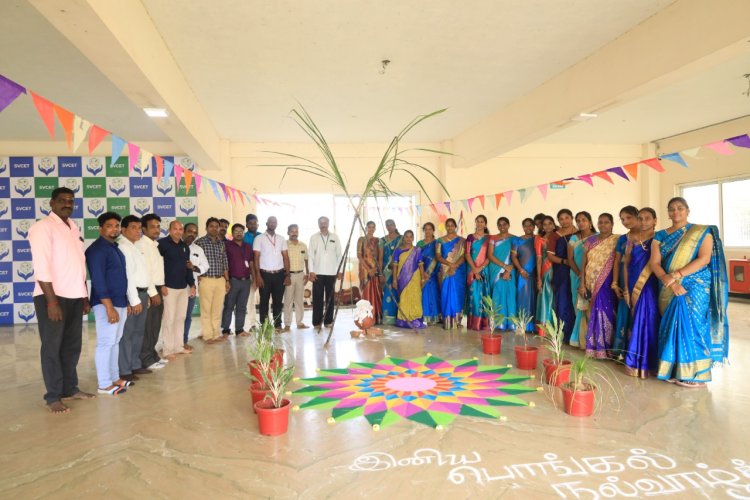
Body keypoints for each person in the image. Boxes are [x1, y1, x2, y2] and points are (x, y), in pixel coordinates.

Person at [650, 197, 729, 388]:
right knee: (671, 325)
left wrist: (677, 275)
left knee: (693, 324)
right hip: (668, 284)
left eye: (680, 208)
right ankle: (673, 369)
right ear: (667, 212)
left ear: (687, 210)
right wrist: (669, 281)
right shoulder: (659, 235)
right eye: (671, 209)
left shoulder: (702, 232)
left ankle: (696, 373)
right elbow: (654, 263)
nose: (675, 212)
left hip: (696, 284)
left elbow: (704, 259)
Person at [29, 187, 93, 413]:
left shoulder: (73, 228)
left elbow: (78, 265)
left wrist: (84, 296)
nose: (67, 204)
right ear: (52, 203)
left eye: (71, 201)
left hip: (75, 296)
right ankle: (53, 396)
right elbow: (41, 267)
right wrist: (52, 302)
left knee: (72, 346)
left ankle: (70, 388)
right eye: (62, 200)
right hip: (53, 298)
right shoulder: (42, 228)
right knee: (52, 347)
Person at [86, 212, 130, 396]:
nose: (115, 229)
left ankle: (114, 378)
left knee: (115, 341)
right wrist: (109, 307)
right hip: (106, 303)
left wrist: (124, 302)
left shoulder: (115, 247)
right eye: (110, 225)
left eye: (117, 225)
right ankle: (104, 384)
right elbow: (98, 281)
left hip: (119, 301)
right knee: (106, 342)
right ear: (101, 228)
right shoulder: (96, 250)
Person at [623, 208, 659, 378]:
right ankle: (635, 362)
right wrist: (625, 289)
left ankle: (648, 363)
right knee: (636, 317)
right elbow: (626, 264)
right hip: (633, 283)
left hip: (651, 283)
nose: (643, 222)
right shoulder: (632, 239)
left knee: (649, 319)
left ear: (655, 220)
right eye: (641, 218)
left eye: (647, 218)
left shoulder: (660, 239)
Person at [579, 213, 619, 359]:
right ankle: (595, 348)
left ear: (612, 224)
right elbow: (583, 264)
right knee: (594, 313)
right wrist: (582, 284)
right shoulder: (590, 241)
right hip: (590, 281)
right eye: (600, 222)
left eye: (606, 222)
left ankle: (607, 348)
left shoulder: (617, 240)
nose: (603, 225)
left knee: (606, 311)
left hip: (607, 283)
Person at [117, 215, 151, 383]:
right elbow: (127, 276)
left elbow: (143, 272)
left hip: (142, 294)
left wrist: (148, 294)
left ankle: (135, 364)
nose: (138, 231)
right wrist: (133, 300)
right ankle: (124, 369)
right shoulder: (123, 247)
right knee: (128, 333)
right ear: (123, 230)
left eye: (139, 228)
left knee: (138, 332)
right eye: (134, 228)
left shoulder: (135, 246)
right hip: (133, 295)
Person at [158, 221, 196, 360]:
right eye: (175, 229)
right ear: (169, 230)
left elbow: (188, 267)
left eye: (180, 229)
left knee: (181, 318)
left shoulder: (185, 246)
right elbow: (157, 266)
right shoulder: (162, 244)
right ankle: (167, 349)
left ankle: (179, 346)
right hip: (168, 287)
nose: (178, 231)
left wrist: (192, 284)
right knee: (169, 318)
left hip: (183, 288)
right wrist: (161, 285)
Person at [137, 214, 167, 371]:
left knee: (155, 325)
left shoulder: (154, 245)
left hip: (157, 288)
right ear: (144, 229)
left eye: (158, 226)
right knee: (148, 326)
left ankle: (152, 354)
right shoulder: (142, 245)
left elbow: (156, 271)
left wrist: (160, 287)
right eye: (153, 226)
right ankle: (146, 359)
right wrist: (152, 292)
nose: (157, 229)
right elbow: (145, 272)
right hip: (150, 291)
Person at [195, 218, 230, 343]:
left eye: (217, 226)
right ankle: (208, 335)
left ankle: (216, 333)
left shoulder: (221, 243)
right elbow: (195, 262)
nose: (214, 229)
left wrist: (227, 280)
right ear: (206, 228)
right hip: (206, 279)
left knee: (217, 308)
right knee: (206, 309)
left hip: (220, 280)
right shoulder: (200, 243)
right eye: (211, 226)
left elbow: (224, 262)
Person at [611, 205, 639, 360]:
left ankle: (638, 351)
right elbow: (616, 262)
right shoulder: (623, 239)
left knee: (640, 313)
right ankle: (622, 351)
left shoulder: (649, 237)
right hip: (624, 280)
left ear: (637, 216)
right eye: (622, 219)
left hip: (642, 280)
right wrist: (615, 283)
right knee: (624, 312)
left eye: (628, 217)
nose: (625, 221)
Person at [253, 216, 290, 329]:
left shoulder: (281, 238)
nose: (273, 224)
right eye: (271, 222)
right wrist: (258, 276)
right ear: (266, 223)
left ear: (276, 224)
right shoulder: (259, 238)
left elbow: (285, 257)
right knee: (264, 301)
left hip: (279, 274)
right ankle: (264, 326)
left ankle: (278, 325)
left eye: (275, 222)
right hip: (265, 274)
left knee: (278, 301)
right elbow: (256, 258)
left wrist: (287, 275)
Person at [308, 216, 343, 331]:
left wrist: (340, 271)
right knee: (317, 298)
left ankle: (328, 321)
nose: (323, 225)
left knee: (330, 298)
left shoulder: (335, 237)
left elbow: (339, 255)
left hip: (332, 272)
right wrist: (311, 271)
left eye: (325, 223)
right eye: (321, 223)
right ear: (318, 224)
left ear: (328, 224)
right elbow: (310, 256)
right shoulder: (314, 237)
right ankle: (317, 322)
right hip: (317, 273)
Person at [547, 209, 576, 342]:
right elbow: (550, 256)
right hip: (562, 271)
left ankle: (578, 335)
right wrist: (566, 262)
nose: (564, 221)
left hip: (578, 271)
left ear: (572, 218)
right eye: (561, 219)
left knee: (577, 301)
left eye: (567, 218)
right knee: (563, 301)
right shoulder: (554, 236)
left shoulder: (580, 233)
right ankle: (564, 334)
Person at [567, 211, 596, 348]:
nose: (580, 223)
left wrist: (587, 275)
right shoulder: (574, 238)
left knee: (592, 305)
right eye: (578, 220)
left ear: (590, 222)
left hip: (594, 276)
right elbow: (570, 259)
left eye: (584, 220)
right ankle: (579, 338)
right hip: (576, 275)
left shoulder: (597, 237)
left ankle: (592, 338)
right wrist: (580, 274)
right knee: (578, 306)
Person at [222, 223, 254, 335]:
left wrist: (253, 278)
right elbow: (223, 263)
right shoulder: (227, 245)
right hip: (233, 280)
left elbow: (251, 263)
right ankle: (225, 329)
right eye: (236, 231)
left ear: (244, 233)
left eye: (241, 231)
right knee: (229, 306)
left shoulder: (248, 246)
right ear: (232, 233)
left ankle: (239, 329)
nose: (239, 233)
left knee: (241, 307)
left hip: (246, 281)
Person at [391, 230, 427, 329]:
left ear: (413, 238)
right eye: (406, 236)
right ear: (404, 237)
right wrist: (394, 280)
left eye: (410, 237)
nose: (408, 239)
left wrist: (423, 278)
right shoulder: (398, 250)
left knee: (415, 298)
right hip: (402, 278)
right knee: (403, 298)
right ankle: (403, 320)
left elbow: (421, 265)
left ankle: (415, 319)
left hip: (415, 278)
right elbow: (395, 266)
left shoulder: (417, 250)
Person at [436, 218, 466, 329]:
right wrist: (450, 264)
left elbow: (464, 256)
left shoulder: (462, 241)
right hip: (445, 270)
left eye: (452, 225)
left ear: (455, 227)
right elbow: (438, 256)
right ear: (445, 227)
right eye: (448, 225)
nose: (450, 227)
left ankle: (457, 320)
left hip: (458, 271)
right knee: (445, 294)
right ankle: (447, 320)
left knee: (458, 293)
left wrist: (455, 265)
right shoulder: (440, 241)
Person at [183, 223, 209, 348]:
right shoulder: (174, 246)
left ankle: (183, 341)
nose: (192, 234)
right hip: (173, 287)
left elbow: (205, 266)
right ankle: (171, 343)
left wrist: (194, 267)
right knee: (173, 318)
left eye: (194, 232)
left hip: (191, 288)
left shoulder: (198, 249)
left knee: (187, 316)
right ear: (183, 231)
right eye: (189, 231)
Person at [488, 217, 516, 330]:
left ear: (509, 225)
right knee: (497, 295)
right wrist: (504, 267)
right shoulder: (493, 238)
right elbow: (490, 255)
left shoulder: (514, 239)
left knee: (510, 295)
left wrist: (509, 269)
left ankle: (511, 323)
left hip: (510, 270)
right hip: (496, 270)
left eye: (504, 224)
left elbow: (517, 256)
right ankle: (499, 323)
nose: (502, 226)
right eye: (499, 225)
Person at [511, 218, 537, 332]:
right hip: (522, 274)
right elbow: (513, 257)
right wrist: (521, 270)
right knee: (523, 298)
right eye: (525, 226)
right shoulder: (517, 240)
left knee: (535, 299)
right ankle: (523, 325)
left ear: (534, 227)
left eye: (530, 225)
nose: (528, 228)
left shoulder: (537, 239)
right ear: (523, 227)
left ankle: (534, 326)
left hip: (536, 274)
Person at [466, 214, 490, 331]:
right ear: (475, 223)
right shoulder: (470, 237)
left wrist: (480, 269)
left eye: (482, 222)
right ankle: (474, 323)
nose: (480, 224)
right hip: (472, 270)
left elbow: (490, 256)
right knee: (474, 296)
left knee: (485, 296)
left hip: (485, 271)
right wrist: (474, 270)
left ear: (485, 224)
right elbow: (467, 254)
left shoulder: (489, 238)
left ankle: (485, 323)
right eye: (478, 221)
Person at [283, 224, 309, 331]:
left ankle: (299, 322)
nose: (294, 233)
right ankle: (287, 324)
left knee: (299, 300)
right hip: (289, 275)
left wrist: (307, 274)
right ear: (288, 232)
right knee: (288, 300)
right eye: (292, 231)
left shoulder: (303, 245)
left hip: (300, 275)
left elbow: (307, 260)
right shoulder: (284, 244)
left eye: (296, 231)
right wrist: (286, 275)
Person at [357, 221, 383, 323]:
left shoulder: (378, 240)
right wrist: (368, 269)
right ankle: (365, 318)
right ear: (366, 228)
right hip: (365, 270)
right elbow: (359, 256)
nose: (371, 229)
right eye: (369, 227)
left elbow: (380, 257)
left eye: (373, 227)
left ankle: (376, 318)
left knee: (376, 292)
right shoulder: (361, 240)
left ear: (375, 228)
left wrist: (379, 271)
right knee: (366, 292)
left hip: (375, 270)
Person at [378, 219, 401, 325]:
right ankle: (388, 318)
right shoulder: (382, 240)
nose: (389, 226)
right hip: (387, 272)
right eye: (387, 225)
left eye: (391, 224)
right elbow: (381, 258)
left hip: (399, 271)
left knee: (399, 293)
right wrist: (380, 273)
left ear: (395, 225)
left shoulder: (401, 239)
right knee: (388, 293)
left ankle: (400, 317)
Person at [417, 222, 441, 325]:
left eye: (430, 229)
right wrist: (423, 273)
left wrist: (433, 272)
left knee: (434, 294)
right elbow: (417, 259)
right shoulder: (420, 244)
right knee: (424, 294)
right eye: (425, 229)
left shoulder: (437, 243)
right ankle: (424, 317)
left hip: (434, 273)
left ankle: (435, 317)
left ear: (433, 230)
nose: (428, 231)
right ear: (423, 231)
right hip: (422, 272)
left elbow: (439, 258)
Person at [535, 216, 556, 333]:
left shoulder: (558, 237)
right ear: (541, 227)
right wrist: (539, 279)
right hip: (545, 270)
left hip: (558, 270)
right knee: (546, 297)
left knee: (556, 298)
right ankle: (544, 329)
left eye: (550, 223)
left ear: (554, 224)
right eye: (545, 224)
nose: (547, 226)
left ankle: (555, 328)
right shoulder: (540, 240)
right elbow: (538, 259)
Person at [243, 214, 262, 330]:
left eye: (255, 223)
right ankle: (252, 324)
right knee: (250, 299)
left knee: (265, 298)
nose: (253, 225)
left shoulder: (263, 236)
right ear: (246, 225)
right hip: (248, 272)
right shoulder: (243, 238)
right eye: (250, 223)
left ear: (258, 224)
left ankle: (266, 322)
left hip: (263, 270)